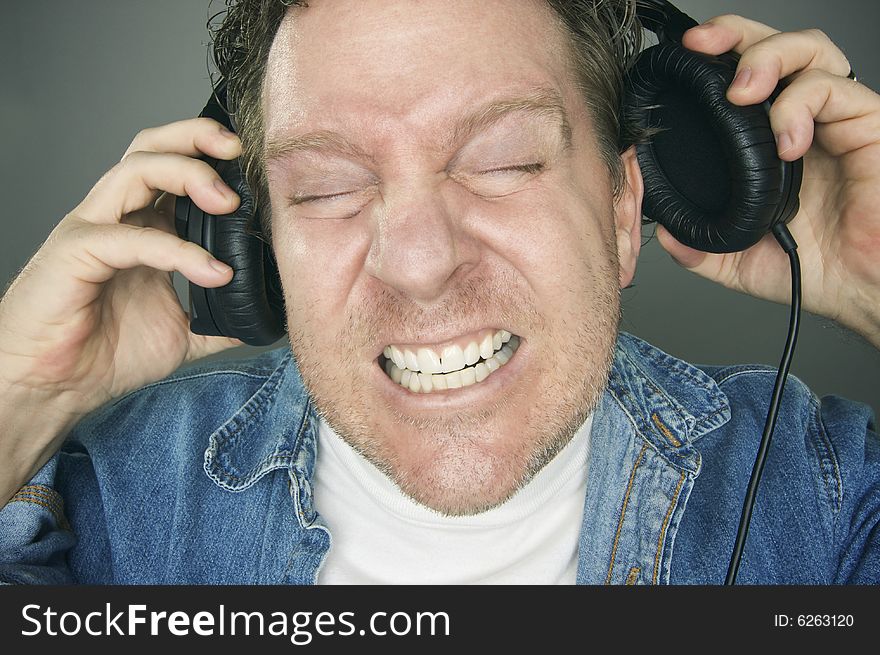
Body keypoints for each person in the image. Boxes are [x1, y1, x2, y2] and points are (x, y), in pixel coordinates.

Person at [0, 0, 877, 584]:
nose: (419, 262)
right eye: (329, 187)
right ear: (253, 245)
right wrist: (20, 393)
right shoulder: (110, 507)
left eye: (504, 161)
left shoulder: (825, 492)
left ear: (622, 210)